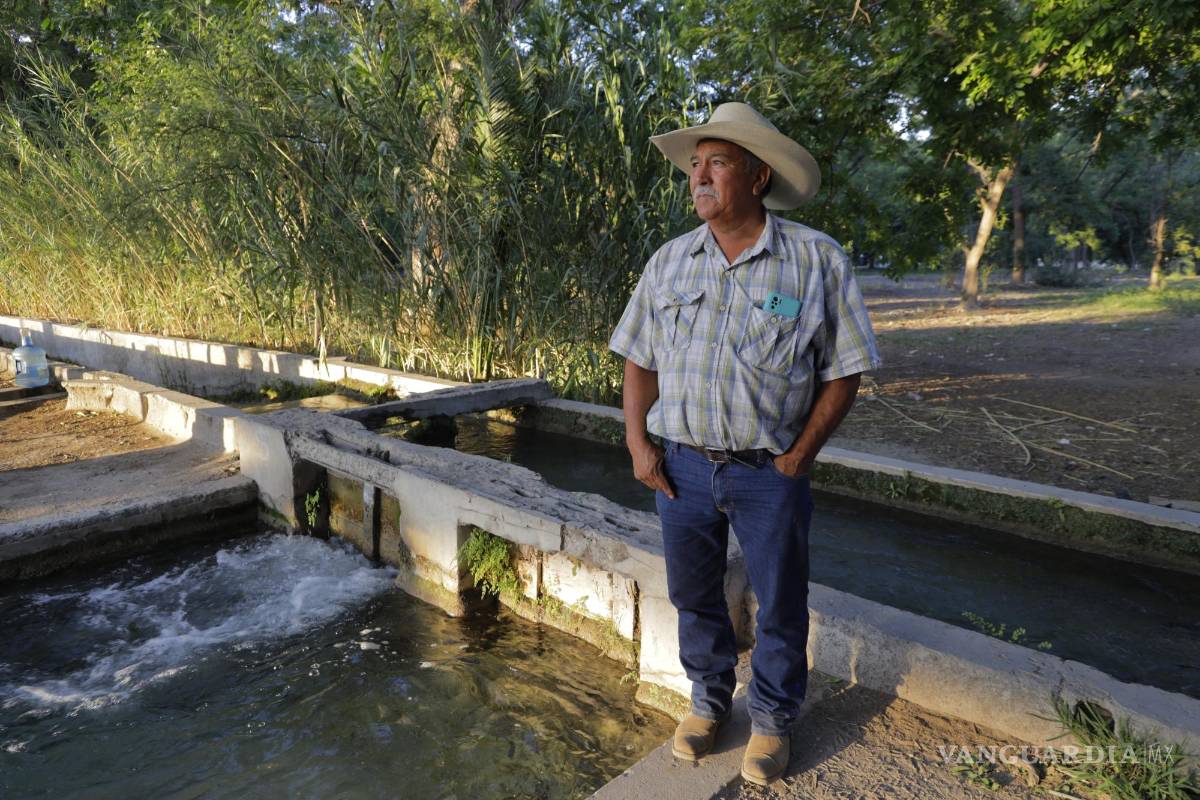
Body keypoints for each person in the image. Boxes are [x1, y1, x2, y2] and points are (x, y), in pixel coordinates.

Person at [608, 102, 881, 786]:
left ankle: (773, 721)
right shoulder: (670, 262)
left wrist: (800, 456)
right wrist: (638, 443)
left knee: (781, 601)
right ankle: (707, 703)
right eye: (695, 164)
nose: (699, 176)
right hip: (681, 468)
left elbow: (845, 370)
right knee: (693, 594)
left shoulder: (815, 260)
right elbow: (639, 359)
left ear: (759, 178)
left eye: (718, 163)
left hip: (769, 472)